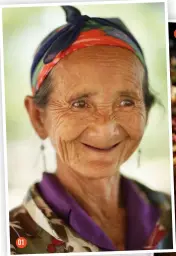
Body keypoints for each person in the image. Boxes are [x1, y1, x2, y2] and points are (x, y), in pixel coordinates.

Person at [9, 5, 172, 254]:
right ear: (38, 117)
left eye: (126, 102)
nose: (105, 127)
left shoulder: (169, 215)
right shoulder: (12, 240)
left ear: (146, 111)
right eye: (80, 104)